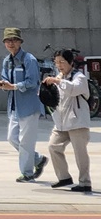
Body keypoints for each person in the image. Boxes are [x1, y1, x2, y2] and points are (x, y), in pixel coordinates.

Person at [0, 26, 46, 183]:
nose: (11, 43)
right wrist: (3, 84)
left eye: (14, 40)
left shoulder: (29, 59)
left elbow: (33, 81)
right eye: (7, 41)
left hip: (29, 106)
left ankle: (27, 173)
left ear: (20, 42)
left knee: (26, 141)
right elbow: (6, 78)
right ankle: (38, 159)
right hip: (14, 106)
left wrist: (14, 86)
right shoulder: (7, 61)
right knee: (12, 138)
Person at [43, 48, 91, 193]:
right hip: (61, 122)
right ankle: (64, 177)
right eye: (56, 62)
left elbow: (73, 89)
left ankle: (85, 182)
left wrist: (57, 81)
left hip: (78, 122)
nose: (59, 65)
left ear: (71, 62)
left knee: (80, 153)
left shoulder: (79, 77)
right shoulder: (59, 77)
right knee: (53, 146)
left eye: (62, 62)